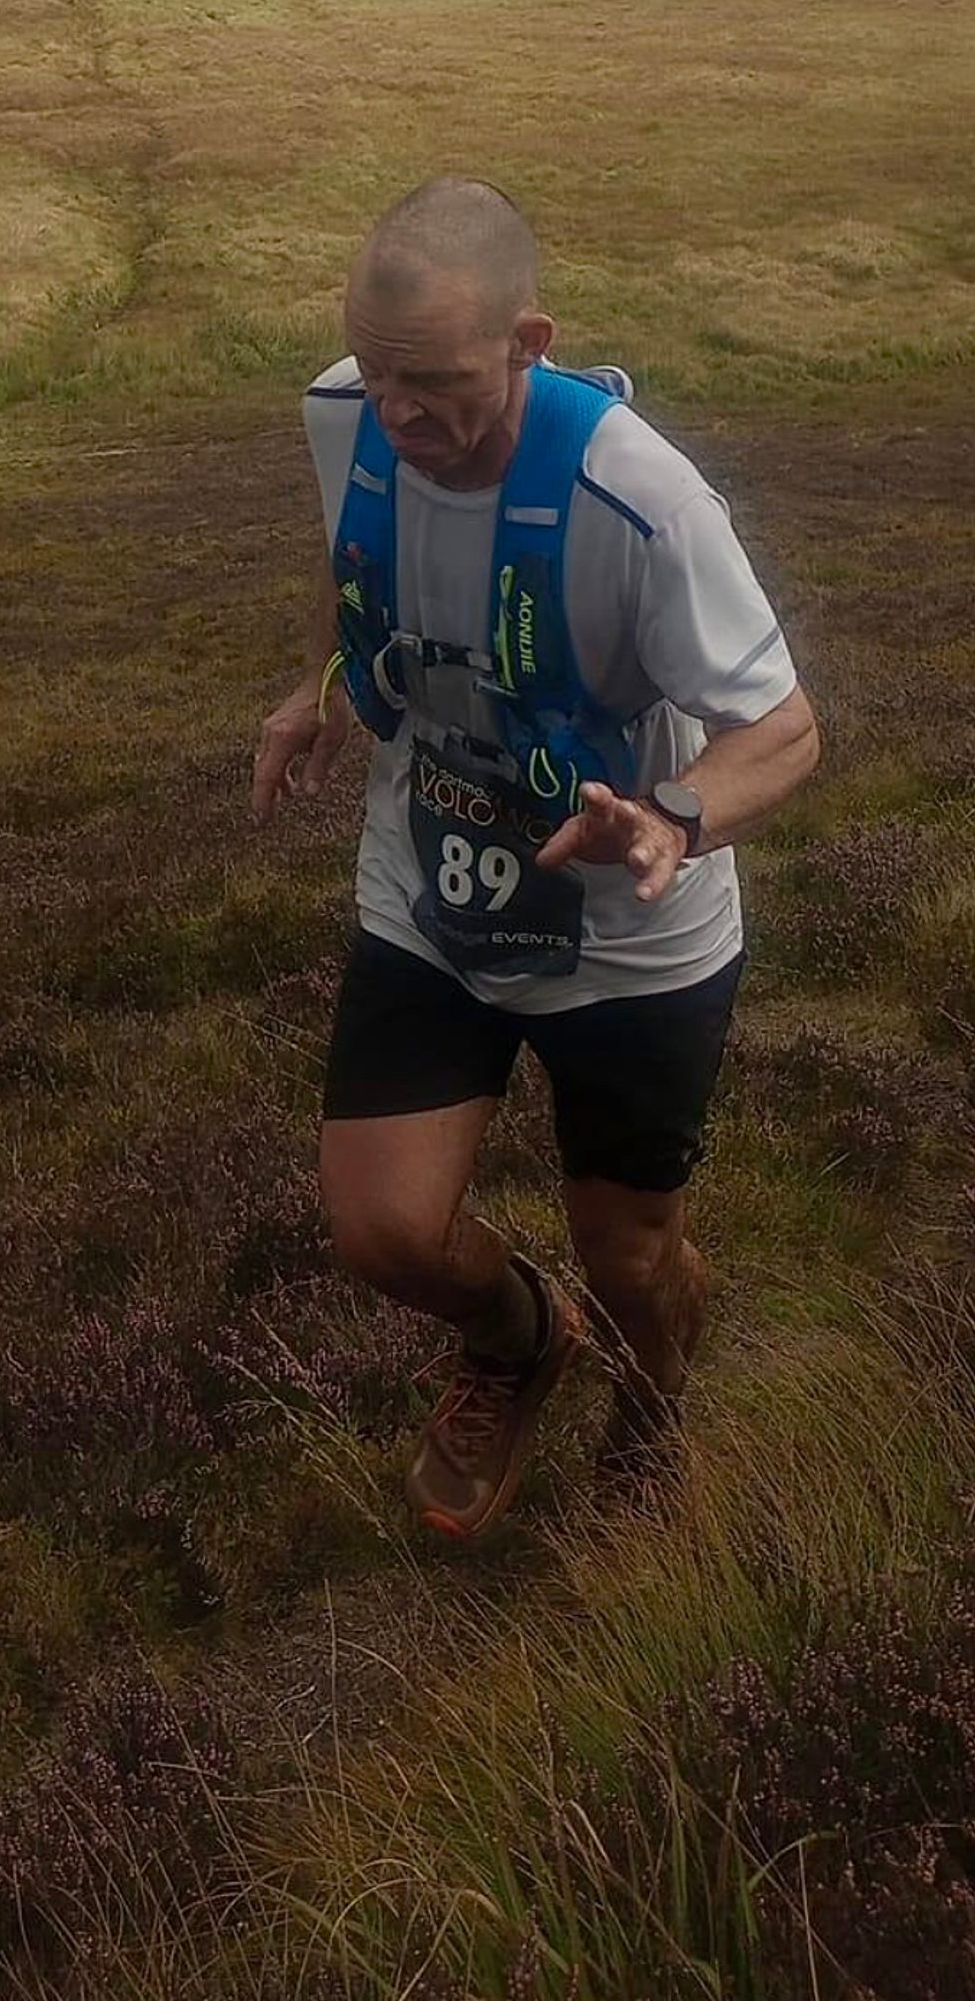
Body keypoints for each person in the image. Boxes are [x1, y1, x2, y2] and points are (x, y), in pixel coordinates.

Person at [252, 177, 819, 1539]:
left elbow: (788, 729)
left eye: (437, 386)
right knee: (381, 1232)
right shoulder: (352, 412)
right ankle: (518, 1341)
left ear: (531, 342)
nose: (400, 418)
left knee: (630, 1254)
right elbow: (366, 569)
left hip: (629, 933)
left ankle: (652, 1391)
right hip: (431, 884)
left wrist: (672, 819)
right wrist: (315, 684)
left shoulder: (643, 501)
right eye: (381, 376)